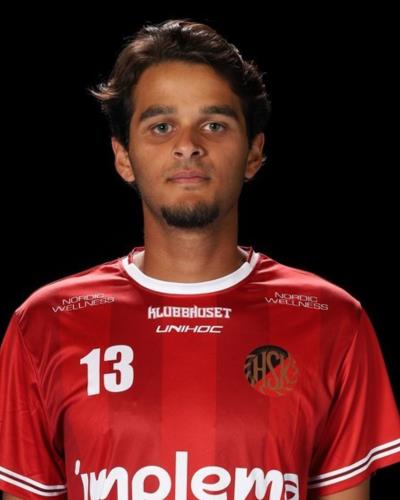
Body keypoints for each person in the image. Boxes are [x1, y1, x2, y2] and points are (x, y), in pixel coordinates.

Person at [0, 18, 398, 500]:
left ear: (253, 153)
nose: (188, 145)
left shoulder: (332, 320)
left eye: (214, 125)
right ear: (123, 157)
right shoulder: (45, 323)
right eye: (162, 126)